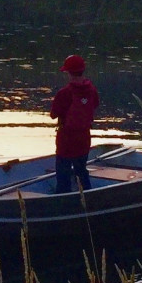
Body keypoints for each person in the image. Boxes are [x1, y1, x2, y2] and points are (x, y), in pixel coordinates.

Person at [50, 54, 100, 194]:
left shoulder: (64, 93)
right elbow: (94, 105)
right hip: (84, 138)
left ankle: (62, 202)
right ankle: (87, 200)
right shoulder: (92, 90)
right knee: (81, 171)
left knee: (63, 175)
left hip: (66, 140)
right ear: (82, 70)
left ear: (68, 72)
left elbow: (53, 114)